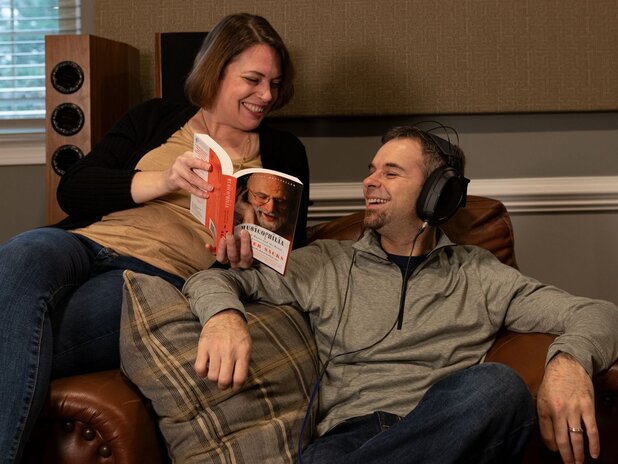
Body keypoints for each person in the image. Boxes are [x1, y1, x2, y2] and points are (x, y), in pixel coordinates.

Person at [183, 125, 618, 464]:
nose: (370, 181)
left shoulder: (479, 274)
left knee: (498, 388)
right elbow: (210, 280)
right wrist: (224, 317)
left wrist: (569, 361)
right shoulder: (324, 263)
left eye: (390, 173)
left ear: (437, 193)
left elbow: (598, 313)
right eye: (371, 169)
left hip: (449, 433)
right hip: (349, 444)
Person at [0, 13, 310, 463]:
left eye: (274, 83)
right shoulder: (156, 117)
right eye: (253, 80)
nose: (266, 96)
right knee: (24, 250)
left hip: (150, 277)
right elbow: (74, 189)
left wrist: (243, 253)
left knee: (23, 325)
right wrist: (163, 180)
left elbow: (288, 251)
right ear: (215, 72)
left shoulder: (284, 151)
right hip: (86, 242)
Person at [235, 172, 299, 239]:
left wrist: (249, 219)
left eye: (280, 201)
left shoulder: (291, 238)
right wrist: (249, 212)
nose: (270, 209)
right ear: (244, 194)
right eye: (262, 197)